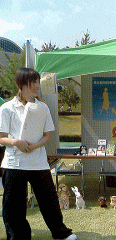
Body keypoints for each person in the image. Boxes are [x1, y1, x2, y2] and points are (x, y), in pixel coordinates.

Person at [0, 68, 77, 240]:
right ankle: (18, 236)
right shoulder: (7, 108)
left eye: (37, 82)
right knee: (14, 206)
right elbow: (1, 138)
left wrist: (35, 145)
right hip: (14, 163)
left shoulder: (42, 107)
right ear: (21, 85)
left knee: (49, 200)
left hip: (38, 162)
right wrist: (16, 142)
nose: (36, 86)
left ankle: (61, 232)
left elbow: (47, 136)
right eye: (32, 82)